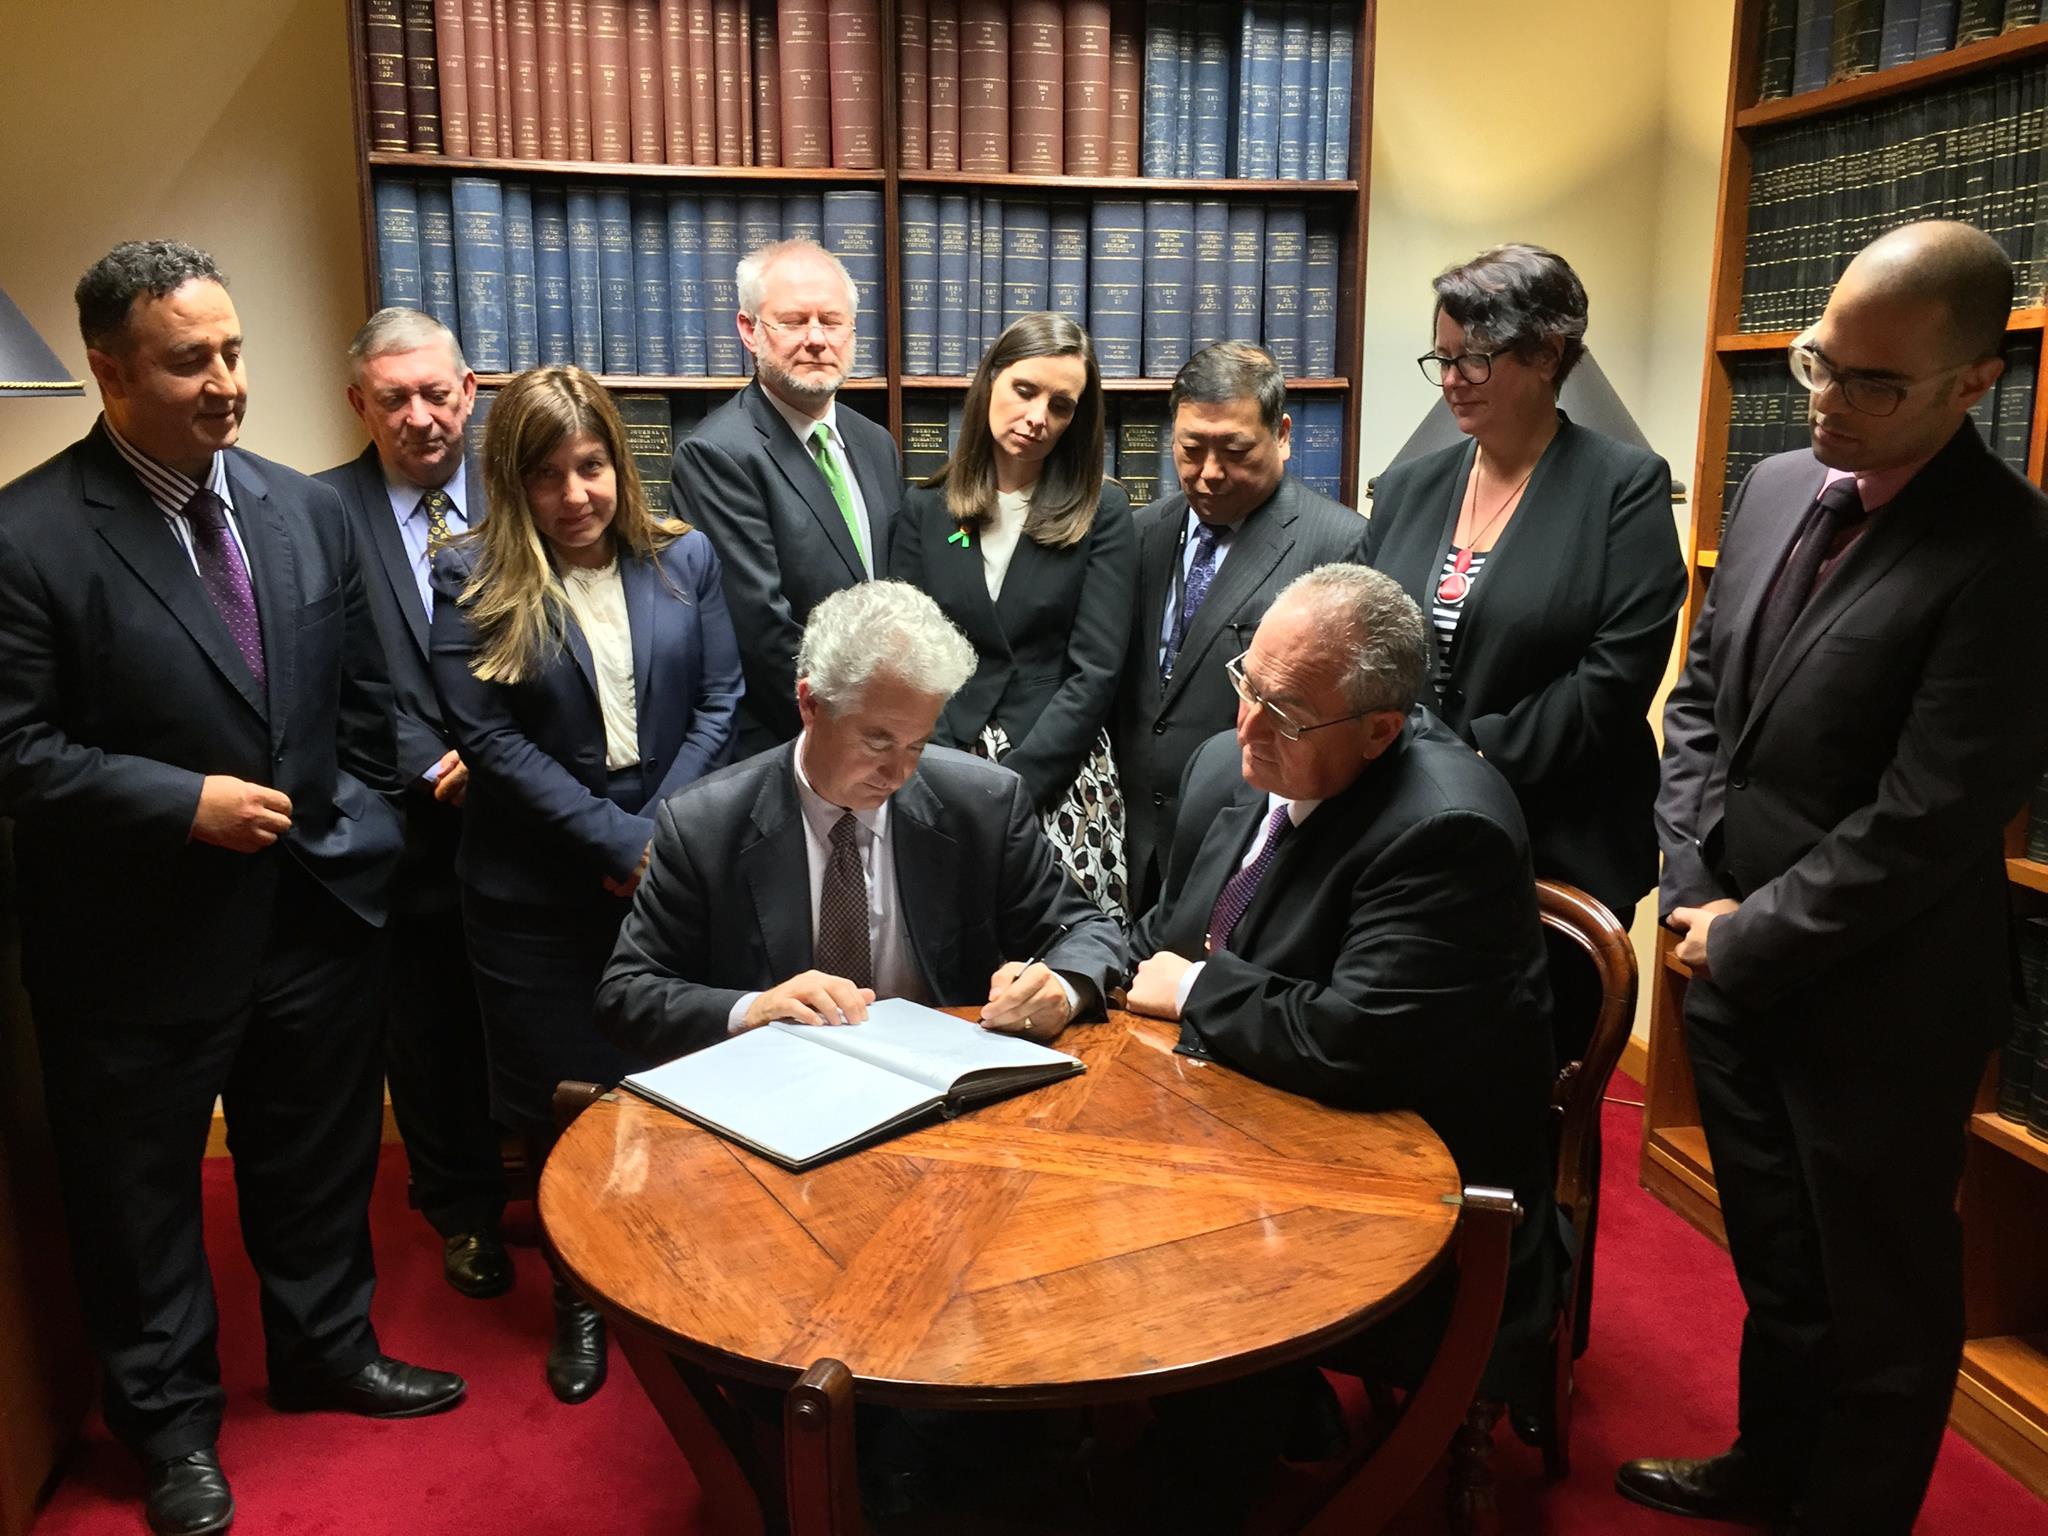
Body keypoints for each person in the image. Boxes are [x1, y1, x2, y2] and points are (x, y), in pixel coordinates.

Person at [0, 241, 463, 1536]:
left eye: (233, 351)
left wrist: (364, 826)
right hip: (135, 943)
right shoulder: (28, 536)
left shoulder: (301, 508)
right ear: (110, 373)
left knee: (315, 1163)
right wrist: (178, 804)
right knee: (141, 1197)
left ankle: (326, 1351)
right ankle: (172, 1431)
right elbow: (14, 748)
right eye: (188, 361)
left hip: (314, 914)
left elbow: (361, 700)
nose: (225, 383)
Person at [1628, 220, 2048, 1535]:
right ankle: (1768, 1466)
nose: (1826, 400)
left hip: (1882, 997)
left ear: (1973, 382)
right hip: (1728, 962)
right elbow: (1700, 705)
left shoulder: (2010, 550)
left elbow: (1931, 814)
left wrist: (1748, 933)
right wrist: (1692, 885)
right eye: (1819, 360)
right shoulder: (1771, 488)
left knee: (1881, 1302)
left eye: (1873, 383)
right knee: (1778, 1262)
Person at [1122, 564, 1556, 1531]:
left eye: (1282, 712)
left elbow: (1354, 1039)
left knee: (1189, 1275)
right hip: (1239, 1125)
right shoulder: (1246, 762)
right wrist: (1076, 974)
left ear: (1380, 730)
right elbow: (1166, 931)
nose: (1245, 726)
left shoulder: (1445, 828)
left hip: (1401, 1183)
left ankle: (1200, 1473)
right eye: (1246, 684)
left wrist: (1193, 990)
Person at [430, 364, 742, 1407]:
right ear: (511, 482)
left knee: (673, 1079)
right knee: (561, 1102)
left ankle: (673, 1268)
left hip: (667, 871)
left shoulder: (683, 557)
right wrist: (617, 844)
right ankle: (579, 1293)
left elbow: (721, 699)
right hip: (533, 889)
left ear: (620, 463)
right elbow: (489, 742)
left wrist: (657, 840)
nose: (574, 495)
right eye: (547, 476)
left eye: (591, 466)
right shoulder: (467, 572)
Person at [595, 580, 1123, 1064]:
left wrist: (1062, 988)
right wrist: (752, 1010)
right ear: (810, 704)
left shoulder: (983, 804)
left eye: (917, 745)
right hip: (776, 1084)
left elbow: (1087, 931)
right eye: (877, 742)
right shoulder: (705, 824)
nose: (899, 773)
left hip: (942, 1084)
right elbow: (627, 994)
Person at [1366, 244, 1686, 932]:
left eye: (1474, 359)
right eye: (1441, 358)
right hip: (1405, 828)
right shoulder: (1404, 488)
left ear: (1547, 353)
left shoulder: (1625, 487)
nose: (1452, 380)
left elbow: (1615, 676)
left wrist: (1473, 764)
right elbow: (1366, 641)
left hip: (1559, 842)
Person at [314, 308, 512, 1302]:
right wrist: (432, 758)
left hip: (530, 817)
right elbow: (323, 676)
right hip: (407, 827)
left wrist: (503, 757)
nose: (421, 417)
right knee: (429, 1038)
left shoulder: (524, 491)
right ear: (360, 403)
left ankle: (570, 1196)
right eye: (395, 399)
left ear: (470, 392)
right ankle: (462, 1211)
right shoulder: (315, 512)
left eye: (437, 393)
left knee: (538, 1019)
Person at [889, 312, 1138, 918]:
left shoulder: (1102, 509)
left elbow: (1096, 671)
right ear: (990, 382)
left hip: (1057, 767)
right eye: (1024, 390)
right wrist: (946, 770)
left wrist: (1017, 785)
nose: (1037, 417)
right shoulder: (925, 507)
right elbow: (906, 653)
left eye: (1061, 405)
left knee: (1064, 950)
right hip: (941, 760)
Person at [1112, 341, 1368, 913]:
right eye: (1190, 449)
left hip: (1249, 843)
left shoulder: (1339, 545)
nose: (1209, 474)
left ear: (1282, 435)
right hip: (1133, 837)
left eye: (1234, 450)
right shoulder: (1140, 532)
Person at [672, 238, 905, 753]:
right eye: (794, 321)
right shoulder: (717, 454)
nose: (816, 339)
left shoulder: (875, 444)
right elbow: (762, 634)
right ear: (749, 330)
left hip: (881, 732)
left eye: (832, 321)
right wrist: (850, 732)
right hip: (792, 740)